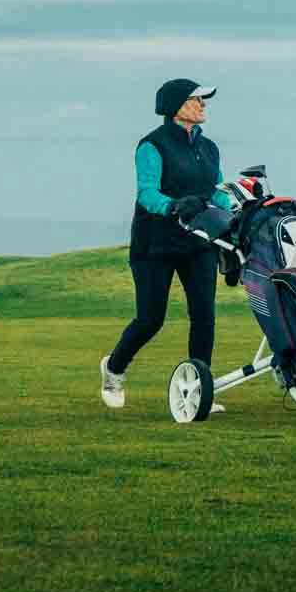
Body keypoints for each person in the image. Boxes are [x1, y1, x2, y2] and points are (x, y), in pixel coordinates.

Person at [100, 79, 234, 412]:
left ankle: (198, 392)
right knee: (150, 319)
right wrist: (173, 207)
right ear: (176, 105)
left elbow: (213, 191)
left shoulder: (209, 147)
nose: (203, 105)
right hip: (154, 245)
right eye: (197, 100)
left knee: (204, 317)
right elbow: (147, 193)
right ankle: (114, 369)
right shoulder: (152, 146)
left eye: (204, 100)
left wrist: (237, 203)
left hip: (199, 241)